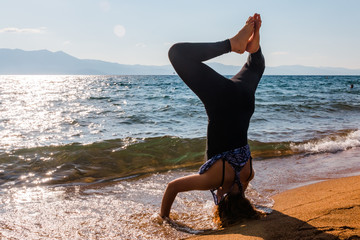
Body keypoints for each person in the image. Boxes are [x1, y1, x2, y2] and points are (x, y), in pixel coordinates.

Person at [160, 13, 265, 226]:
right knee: (177, 54)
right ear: (222, 201)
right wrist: (164, 218)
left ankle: (255, 47)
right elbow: (172, 187)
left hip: (244, 99)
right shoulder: (215, 180)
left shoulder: (248, 175)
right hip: (222, 102)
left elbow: (238, 187)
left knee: (256, 67)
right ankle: (232, 44)